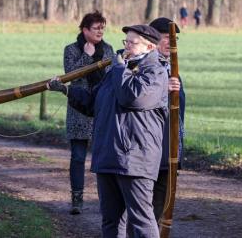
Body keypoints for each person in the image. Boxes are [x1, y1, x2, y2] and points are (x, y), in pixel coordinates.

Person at [48, 24, 168, 238]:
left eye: (133, 42)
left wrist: (120, 68)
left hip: (135, 159)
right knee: (110, 221)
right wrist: (67, 90)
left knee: (141, 219)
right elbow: (94, 103)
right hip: (107, 155)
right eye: (126, 42)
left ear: (150, 47)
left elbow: (133, 97)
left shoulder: (155, 72)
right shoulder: (116, 71)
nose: (127, 46)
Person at [62, 10, 114, 215]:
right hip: (78, 109)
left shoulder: (109, 50)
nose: (100, 31)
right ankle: (77, 200)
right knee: (77, 157)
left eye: (103, 27)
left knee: (104, 158)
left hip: (102, 109)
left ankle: (107, 201)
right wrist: (87, 56)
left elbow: (110, 78)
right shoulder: (71, 50)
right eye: (96, 27)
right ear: (85, 30)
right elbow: (70, 75)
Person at [148, 17, 186, 224]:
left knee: (161, 210)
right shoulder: (142, 67)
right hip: (149, 153)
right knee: (144, 213)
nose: (171, 43)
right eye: (166, 38)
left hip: (169, 154)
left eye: (174, 39)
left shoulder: (173, 69)